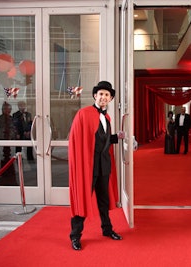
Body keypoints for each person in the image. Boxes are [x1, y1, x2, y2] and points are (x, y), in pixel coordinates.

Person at [68, 81, 125, 251]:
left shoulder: (107, 117)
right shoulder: (83, 114)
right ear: (95, 96)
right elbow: (76, 141)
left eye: (107, 95)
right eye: (101, 94)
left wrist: (116, 137)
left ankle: (107, 230)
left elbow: (102, 140)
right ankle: (75, 237)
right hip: (88, 167)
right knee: (83, 200)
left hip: (104, 166)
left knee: (103, 201)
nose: (103, 97)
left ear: (111, 98)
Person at [0, 101, 18, 186]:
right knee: (4, 156)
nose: (8, 111)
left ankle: (10, 172)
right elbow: (5, 126)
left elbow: (13, 126)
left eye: (9, 109)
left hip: (10, 139)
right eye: (6, 109)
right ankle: (5, 173)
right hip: (3, 138)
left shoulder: (10, 117)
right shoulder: (1, 117)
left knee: (10, 156)